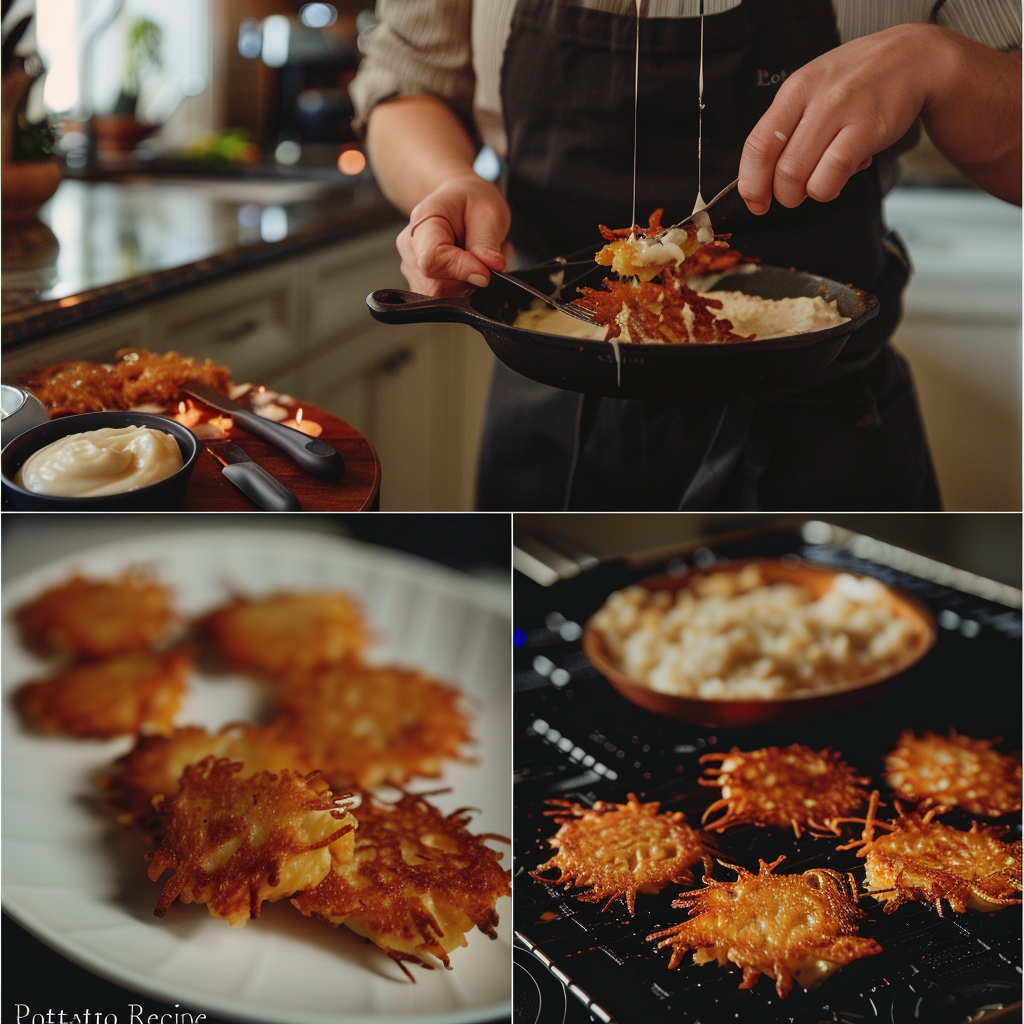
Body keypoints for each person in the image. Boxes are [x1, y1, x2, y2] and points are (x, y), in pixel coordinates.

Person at [350, 0, 1021, 511]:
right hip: (550, 410)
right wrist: (447, 180)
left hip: (826, 425)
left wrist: (944, 63)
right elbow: (408, 83)